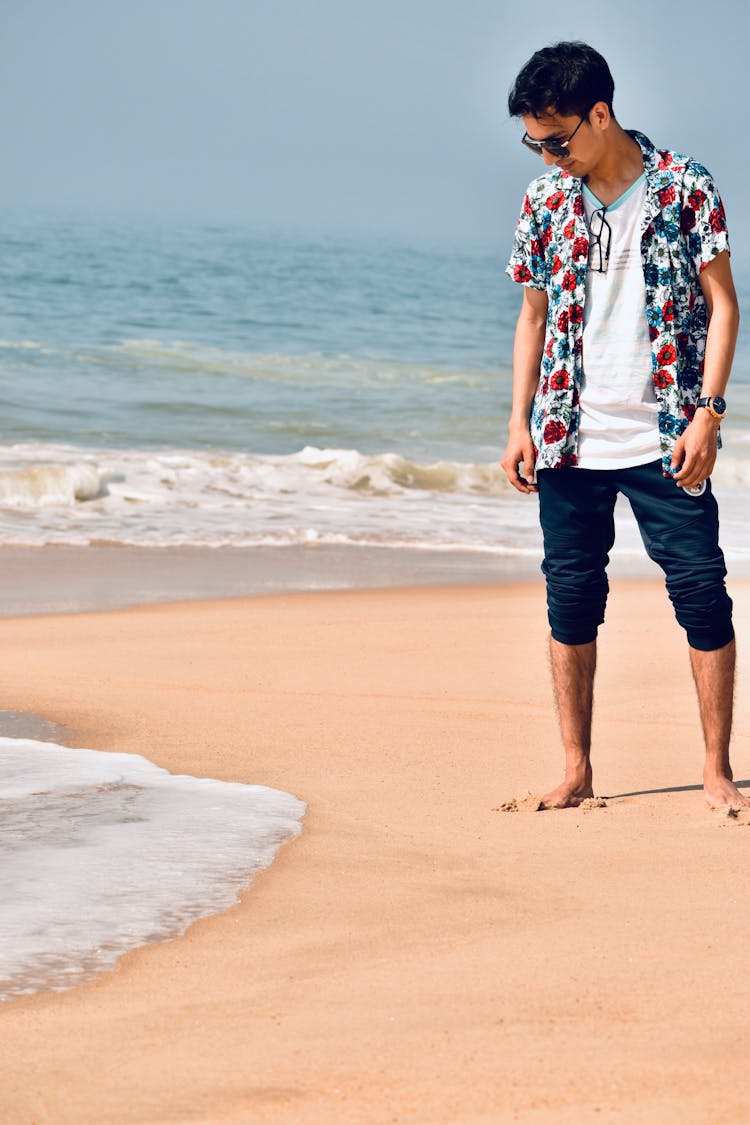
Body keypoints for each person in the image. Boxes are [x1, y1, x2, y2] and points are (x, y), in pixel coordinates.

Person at [500, 41, 745, 810]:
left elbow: (724, 305)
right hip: (570, 437)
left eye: (557, 140)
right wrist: (518, 422)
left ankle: (716, 770)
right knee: (570, 598)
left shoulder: (684, 187)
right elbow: (531, 315)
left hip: (665, 434)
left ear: (600, 114)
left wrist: (708, 414)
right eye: (534, 142)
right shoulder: (545, 201)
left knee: (702, 592)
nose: (547, 155)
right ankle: (577, 769)